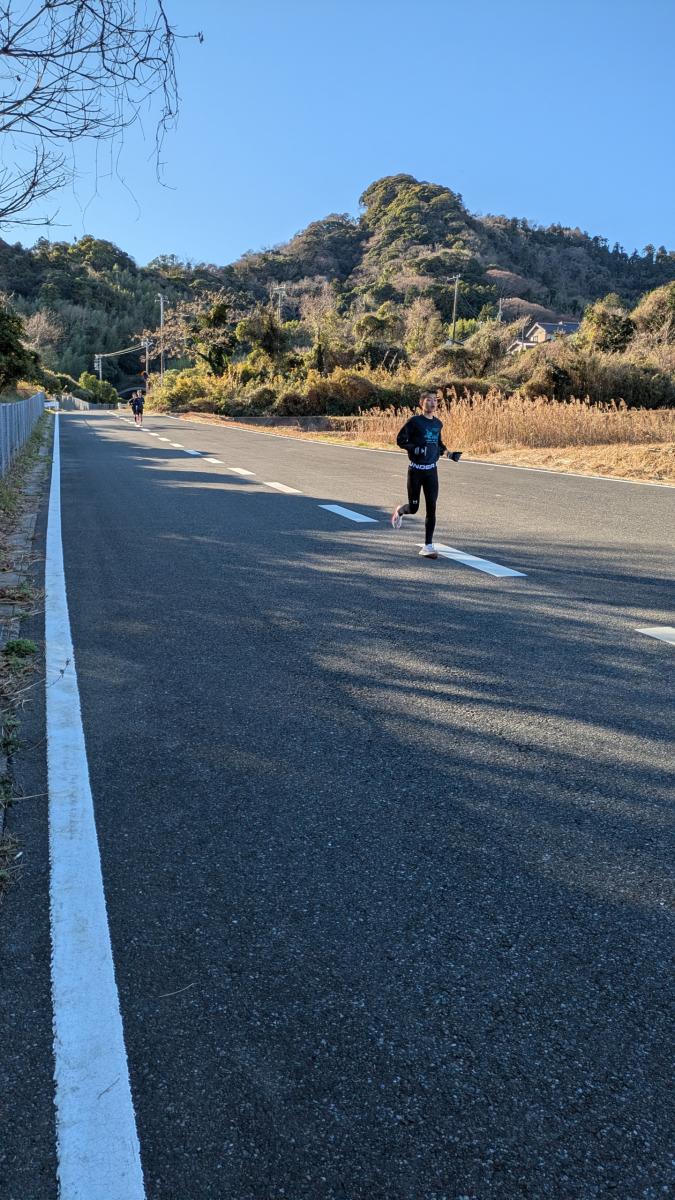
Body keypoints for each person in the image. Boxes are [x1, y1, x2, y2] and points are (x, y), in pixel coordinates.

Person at [391, 392, 461, 558]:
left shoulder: (438, 424)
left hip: (431, 471)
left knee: (432, 507)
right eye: (428, 400)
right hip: (415, 471)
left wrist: (449, 454)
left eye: (435, 400)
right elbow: (400, 440)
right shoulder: (414, 421)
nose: (432, 403)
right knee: (414, 508)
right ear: (421, 403)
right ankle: (400, 511)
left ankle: (428, 546)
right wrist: (414, 448)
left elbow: (438, 444)